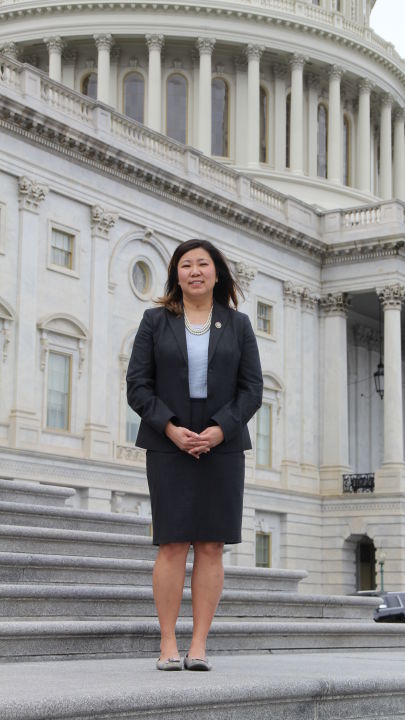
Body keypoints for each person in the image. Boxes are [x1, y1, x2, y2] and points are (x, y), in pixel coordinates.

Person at [126, 239, 263, 671]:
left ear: (217, 273)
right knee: (171, 543)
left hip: (222, 443)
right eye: (186, 265)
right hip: (168, 441)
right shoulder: (154, 321)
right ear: (176, 275)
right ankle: (168, 643)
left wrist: (220, 430)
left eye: (203, 264)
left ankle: (199, 644)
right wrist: (170, 428)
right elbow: (137, 385)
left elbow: (253, 389)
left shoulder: (238, 324)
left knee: (210, 545)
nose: (195, 271)